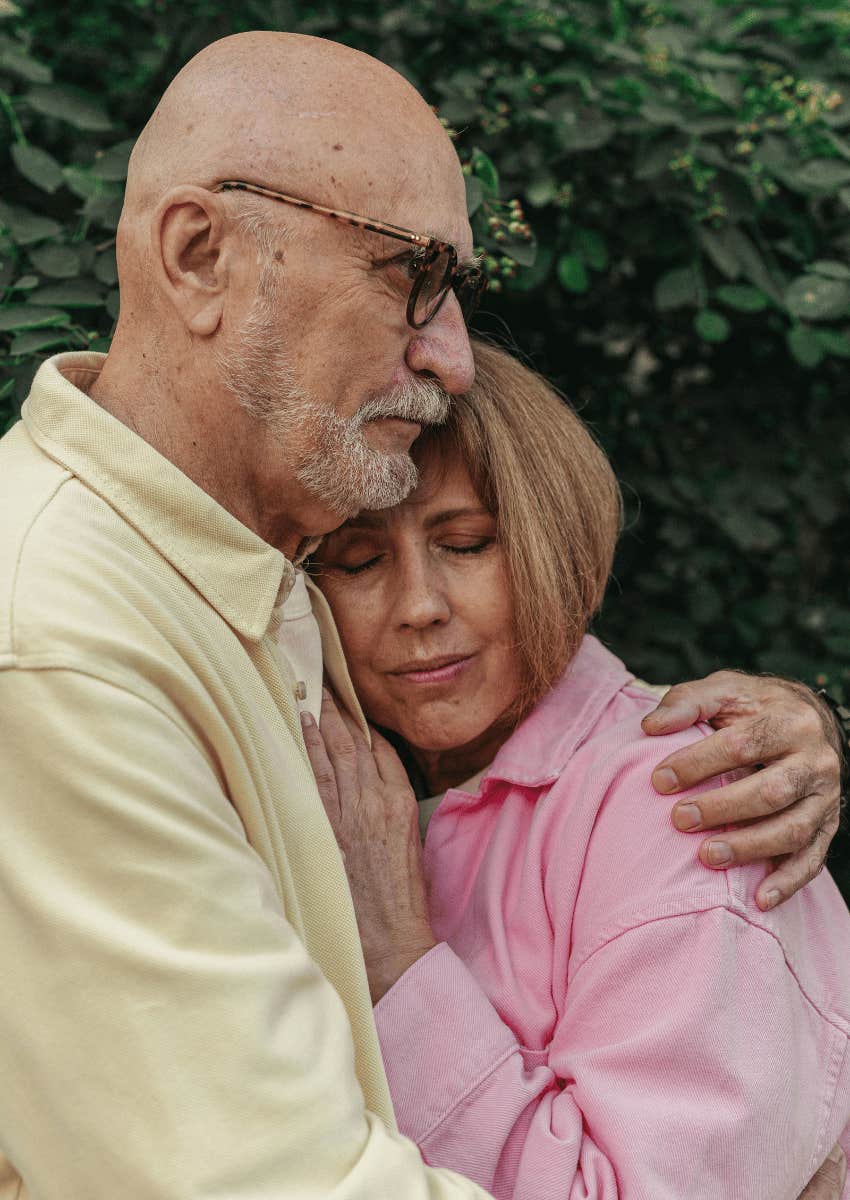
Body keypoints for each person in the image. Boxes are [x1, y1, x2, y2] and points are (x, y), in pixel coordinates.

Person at [0, 28, 842, 1198]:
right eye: (412, 276)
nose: (450, 353)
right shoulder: (63, 649)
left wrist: (800, 724)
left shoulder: (241, 570)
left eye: (468, 543)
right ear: (198, 256)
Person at [304, 338, 850, 1200]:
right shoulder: (361, 782)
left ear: (550, 544)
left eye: (469, 543)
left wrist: (395, 960)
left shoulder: (680, 799)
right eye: (361, 561)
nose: (418, 607)